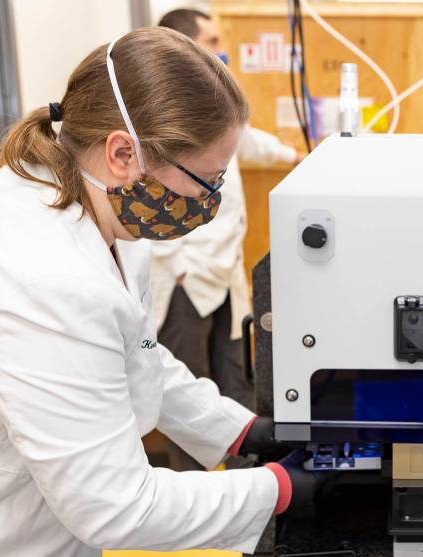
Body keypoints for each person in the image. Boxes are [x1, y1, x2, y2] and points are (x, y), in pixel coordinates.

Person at [0, 28, 320, 557]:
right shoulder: (33, 277)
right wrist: (280, 489)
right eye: (207, 180)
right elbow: (115, 504)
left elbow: (136, 354)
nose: (210, 202)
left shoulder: (94, 209)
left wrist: (243, 431)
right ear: (124, 152)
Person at [152, 8, 300, 471]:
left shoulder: (212, 107)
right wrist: (175, 267)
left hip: (224, 272)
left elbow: (246, 141)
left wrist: (305, 155)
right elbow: (145, 197)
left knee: (235, 380)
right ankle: (192, 491)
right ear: (188, 48)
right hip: (185, 276)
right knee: (185, 392)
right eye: (213, 40)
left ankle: (244, 486)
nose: (223, 49)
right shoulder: (161, 114)